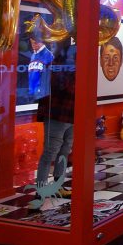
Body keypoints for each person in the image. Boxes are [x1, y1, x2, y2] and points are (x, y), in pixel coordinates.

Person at [33, 37, 76, 206]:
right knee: (50, 152)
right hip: (57, 113)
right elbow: (61, 86)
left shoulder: (67, 65)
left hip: (71, 113)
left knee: (65, 150)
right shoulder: (56, 65)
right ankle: (40, 190)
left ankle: (58, 185)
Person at [27, 35, 53, 100]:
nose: (33, 45)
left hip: (42, 93)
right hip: (33, 92)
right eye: (32, 43)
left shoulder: (48, 54)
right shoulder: (33, 55)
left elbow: (47, 75)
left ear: (42, 42)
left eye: (35, 42)